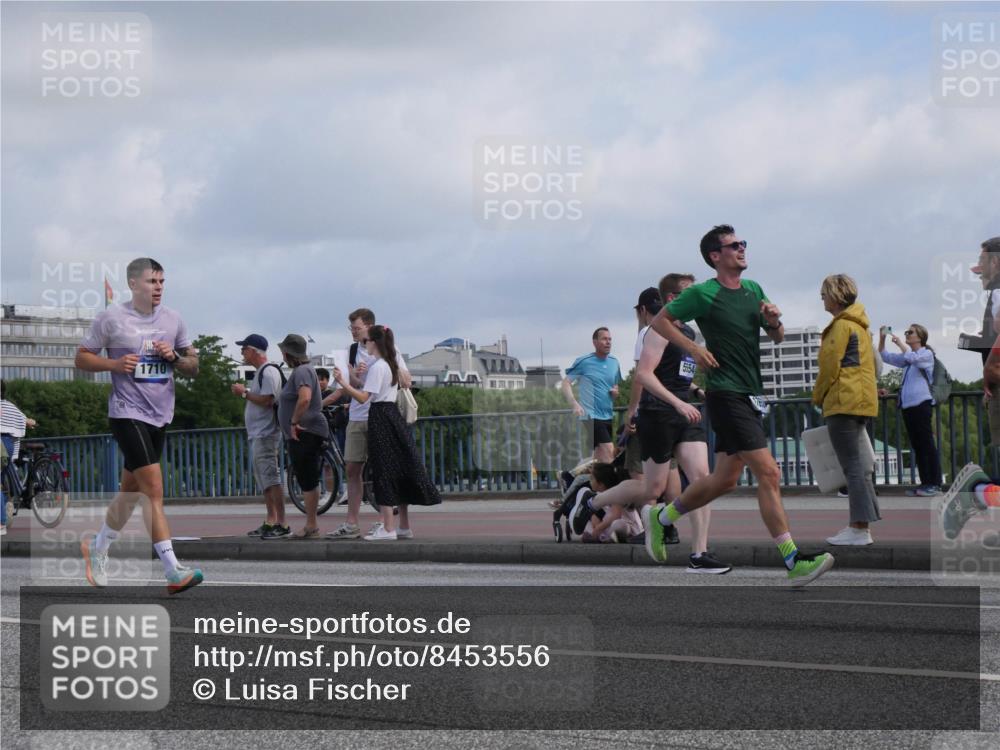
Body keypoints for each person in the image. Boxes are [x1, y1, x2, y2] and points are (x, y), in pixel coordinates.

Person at [642, 225, 834, 586]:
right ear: (716, 256)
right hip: (725, 393)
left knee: (724, 480)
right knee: (769, 473)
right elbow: (659, 321)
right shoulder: (703, 293)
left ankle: (661, 518)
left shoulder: (753, 290)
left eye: (743, 243)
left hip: (750, 393)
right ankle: (793, 560)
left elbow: (777, 337)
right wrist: (694, 348)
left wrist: (774, 321)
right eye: (734, 245)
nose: (742, 248)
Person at [571, 273, 731, 574]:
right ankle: (592, 502)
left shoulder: (689, 333)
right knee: (650, 489)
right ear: (673, 299)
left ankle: (699, 553)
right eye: (690, 292)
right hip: (658, 413)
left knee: (702, 480)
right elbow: (644, 375)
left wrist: (696, 392)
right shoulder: (658, 329)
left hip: (685, 414)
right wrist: (670, 403)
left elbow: (678, 373)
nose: (697, 297)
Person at [75, 257, 204, 594]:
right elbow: (82, 357)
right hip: (126, 412)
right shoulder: (111, 318)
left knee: (130, 493)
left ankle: (97, 547)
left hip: (160, 415)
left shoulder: (173, 319)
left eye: (161, 282)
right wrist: (114, 364)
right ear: (133, 284)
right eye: (151, 282)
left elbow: (194, 366)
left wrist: (175, 358)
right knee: (153, 490)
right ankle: (172, 570)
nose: (158, 288)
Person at [333, 325, 440, 539]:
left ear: (374, 342)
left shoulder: (378, 367)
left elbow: (364, 398)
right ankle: (403, 526)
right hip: (393, 415)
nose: (364, 344)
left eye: (367, 341)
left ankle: (388, 528)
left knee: (383, 470)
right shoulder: (391, 365)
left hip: (380, 416)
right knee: (398, 468)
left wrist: (344, 381)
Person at [326, 309, 411, 539]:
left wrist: (382, 365)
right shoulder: (351, 351)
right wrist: (355, 375)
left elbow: (406, 380)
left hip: (379, 418)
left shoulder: (388, 351)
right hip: (357, 416)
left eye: (356, 328)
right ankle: (352, 523)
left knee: (382, 469)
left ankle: (385, 523)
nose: (353, 332)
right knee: (352, 469)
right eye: (351, 328)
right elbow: (352, 386)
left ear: (369, 327)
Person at [812, 275, 880, 545]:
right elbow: (875, 365)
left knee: (851, 467)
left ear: (835, 296)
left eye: (824, 294)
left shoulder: (840, 327)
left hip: (842, 401)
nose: (821, 298)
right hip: (862, 401)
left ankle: (858, 528)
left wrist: (818, 396)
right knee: (861, 466)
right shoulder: (861, 327)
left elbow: (829, 368)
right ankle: (863, 525)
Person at [231, 334, 288, 539]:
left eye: (244, 348)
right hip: (259, 434)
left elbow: (267, 400)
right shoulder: (261, 372)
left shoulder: (269, 371)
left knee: (271, 478)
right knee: (264, 479)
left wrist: (243, 393)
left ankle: (281, 523)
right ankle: (271, 520)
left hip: (266, 433)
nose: (242, 352)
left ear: (254, 351)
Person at [878, 324, 942, 496]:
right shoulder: (908, 358)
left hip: (922, 403)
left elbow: (915, 359)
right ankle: (925, 483)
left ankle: (934, 484)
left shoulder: (926, 354)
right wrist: (882, 338)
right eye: (906, 332)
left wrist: (900, 343)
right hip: (908, 406)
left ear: (920, 337)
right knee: (918, 445)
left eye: (910, 332)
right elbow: (884, 356)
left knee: (927, 444)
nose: (907, 334)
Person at [275, 333, 328, 538]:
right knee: (308, 477)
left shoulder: (302, 371)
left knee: (307, 477)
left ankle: (311, 526)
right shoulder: (304, 370)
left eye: (283, 352)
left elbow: (305, 398)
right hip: (306, 431)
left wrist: (294, 422)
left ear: (288, 354)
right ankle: (311, 524)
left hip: (305, 431)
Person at [561, 328, 622, 464]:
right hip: (590, 414)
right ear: (595, 342)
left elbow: (615, 386)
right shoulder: (584, 361)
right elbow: (565, 383)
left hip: (607, 415)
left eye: (610, 339)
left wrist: (615, 392)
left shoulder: (614, 362)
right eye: (604, 339)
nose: (608, 342)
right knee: (609, 452)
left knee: (599, 458)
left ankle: (570, 474)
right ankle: (609, 478)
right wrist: (574, 404)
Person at [970, 237, 1000, 447]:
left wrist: (990, 367)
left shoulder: (998, 291)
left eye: (982, 260)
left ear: (995, 262)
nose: (979, 269)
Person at [1, 381, 38, 535]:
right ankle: (6, 509)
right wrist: (30, 422)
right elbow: (26, 420)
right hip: (8, 444)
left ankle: (1, 522)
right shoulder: (9, 406)